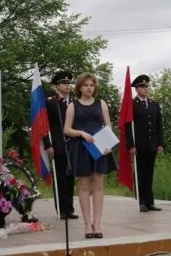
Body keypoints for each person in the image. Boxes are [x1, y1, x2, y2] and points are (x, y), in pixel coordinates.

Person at [64, 72, 117, 239]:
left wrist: (108, 145)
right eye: (86, 85)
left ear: (95, 87)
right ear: (80, 87)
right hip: (81, 148)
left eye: (91, 85)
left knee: (99, 186)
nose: (89, 88)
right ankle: (87, 224)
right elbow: (66, 130)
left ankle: (98, 223)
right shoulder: (73, 105)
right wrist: (81, 133)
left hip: (100, 148)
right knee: (84, 187)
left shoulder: (101, 104)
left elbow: (108, 127)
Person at [125, 74, 163, 212]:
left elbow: (159, 125)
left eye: (147, 86)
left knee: (149, 173)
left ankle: (150, 202)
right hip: (139, 146)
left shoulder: (154, 104)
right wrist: (131, 145)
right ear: (136, 89)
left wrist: (160, 143)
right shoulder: (132, 105)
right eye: (142, 86)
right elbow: (129, 126)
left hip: (152, 144)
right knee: (141, 174)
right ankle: (142, 202)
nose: (145, 89)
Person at [43, 71, 78, 220]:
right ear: (57, 86)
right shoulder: (51, 102)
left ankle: (69, 208)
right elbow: (44, 126)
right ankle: (62, 209)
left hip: (73, 144)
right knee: (61, 178)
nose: (67, 85)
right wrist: (48, 144)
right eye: (64, 83)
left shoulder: (75, 102)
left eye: (69, 83)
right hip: (57, 144)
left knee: (71, 178)